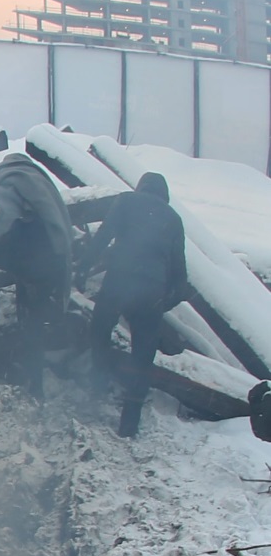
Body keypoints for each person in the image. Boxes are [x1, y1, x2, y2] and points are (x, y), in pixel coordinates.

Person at [81, 172, 188, 437]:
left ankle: (97, 385)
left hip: (120, 280)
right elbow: (180, 278)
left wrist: (82, 268)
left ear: (141, 188)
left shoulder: (126, 201)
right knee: (143, 355)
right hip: (152, 290)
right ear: (164, 195)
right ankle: (129, 423)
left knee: (100, 330)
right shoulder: (174, 219)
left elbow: (103, 236)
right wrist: (162, 303)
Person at [0, 153, 73, 397]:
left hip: (35, 258)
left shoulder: (9, 178)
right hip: (51, 259)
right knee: (32, 320)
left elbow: (8, 215)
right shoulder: (37, 182)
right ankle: (35, 385)